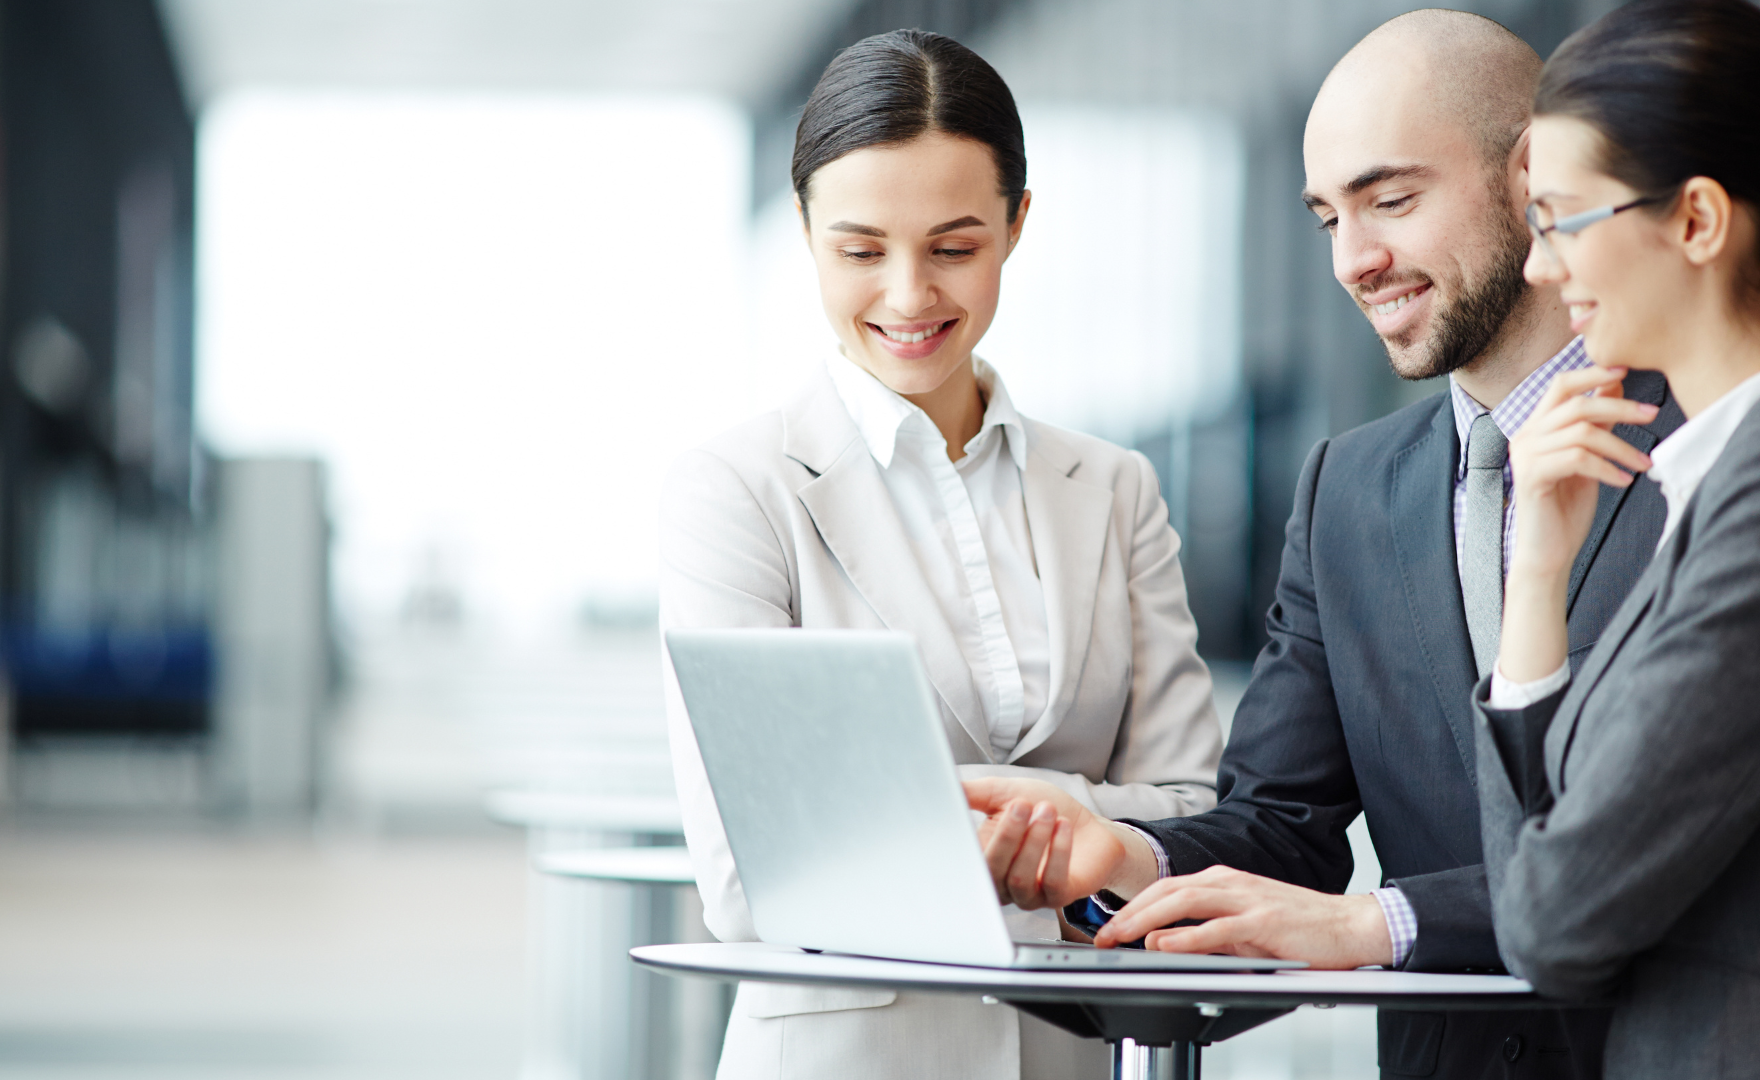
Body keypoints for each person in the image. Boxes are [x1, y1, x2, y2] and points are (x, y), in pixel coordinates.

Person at [967, 11, 1684, 1078]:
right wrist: (1124, 854)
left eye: (1392, 199)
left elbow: (1691, 840)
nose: (1356, 260)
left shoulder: (1714, 444)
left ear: (1533, 174)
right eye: (1326, 219)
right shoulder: (1347, 492)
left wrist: (1378, 924)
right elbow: (1279, 825)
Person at [659, 29, 1225, 1080]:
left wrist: (903, 811)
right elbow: (749, 873)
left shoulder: (1114, 490)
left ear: (1016, 222)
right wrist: (1075, 820)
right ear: (805, 230)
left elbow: (1197, 814)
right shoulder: (737, 490)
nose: (911, 295)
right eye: (861, 250)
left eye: (955, 246)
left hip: (1068, 1055)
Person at [1469, 1, 1760, 1075]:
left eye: (1563, 219)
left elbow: (1552, 919)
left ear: (1699, 221)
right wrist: (1537, 572)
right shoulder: (1737, 472)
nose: (1539, 266)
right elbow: (1543, 882)